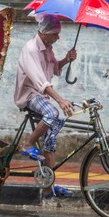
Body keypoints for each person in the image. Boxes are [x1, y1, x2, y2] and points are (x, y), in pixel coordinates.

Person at [14, 14, 77, 198]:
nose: (58, 37)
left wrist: (66, 59)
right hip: (29, 95)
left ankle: (49, 187)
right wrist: (60, 100)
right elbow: (41, 82)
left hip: (40, 95)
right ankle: (28, 143)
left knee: (51, 140)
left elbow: (54, 69)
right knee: (53, 113)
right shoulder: (31, 49)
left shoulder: (47, 48)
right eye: (56, 34)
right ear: (45, 32)